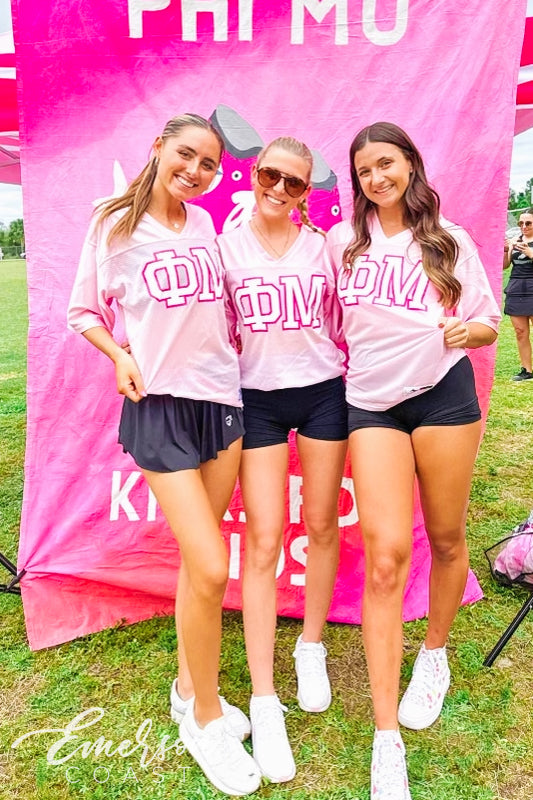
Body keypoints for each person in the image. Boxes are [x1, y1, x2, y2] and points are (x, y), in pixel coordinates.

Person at [67, 113, 262, 797]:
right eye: (186, 155)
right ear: (158, 148)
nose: (196, 171)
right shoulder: (112, 223)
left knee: (198, 566)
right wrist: (118, 355)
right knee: (210, 563)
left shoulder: (206, 224)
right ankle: (205, 720)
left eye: (209, 164)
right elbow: (83, 312)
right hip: (159, 406)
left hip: (222, 403)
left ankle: (188, 688)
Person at [327, 122, 501, 800]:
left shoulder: (446, 239)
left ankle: (433, 654)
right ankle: (385, 739)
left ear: (410, 165)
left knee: (448, 537)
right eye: (364, 170)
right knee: (386, 558)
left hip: (442, 396)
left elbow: (486, 321)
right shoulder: (342, 245)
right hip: (371, 405)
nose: (377, 178)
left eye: (386, 164)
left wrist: (466, 329)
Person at [218, 137, 347, 783]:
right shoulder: (225, 245)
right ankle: (264, 700)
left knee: (321, 524)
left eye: (294, 182)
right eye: (271, 175)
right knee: (264, 539)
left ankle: (311, 645)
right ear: (253, 172)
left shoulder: (323, 246)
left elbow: (352, 317)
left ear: (307, 191)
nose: (278, 188)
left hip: (324, 392)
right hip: (257, 398)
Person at [503, 208, 533, 381]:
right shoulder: (516, 240)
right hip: (516, 287)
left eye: (528, 223)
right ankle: (527, 370)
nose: (524, 226)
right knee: (520, 331)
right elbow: (505, 265)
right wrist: (505, 249)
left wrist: (529, 252)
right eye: (521, 223)